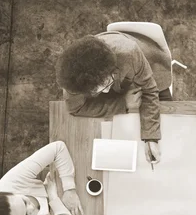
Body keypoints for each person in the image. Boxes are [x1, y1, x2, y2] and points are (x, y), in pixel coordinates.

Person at [56, 31, 171, 163]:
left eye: (105, 84)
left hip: (148, 65)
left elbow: (150, 90)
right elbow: (75, 108)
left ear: (111, 69)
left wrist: (151, 137)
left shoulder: (129, 53)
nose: (104, 93)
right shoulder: (73, 80)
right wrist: (122, 103)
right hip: (121, 79)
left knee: (167, 113)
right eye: (96, 91)